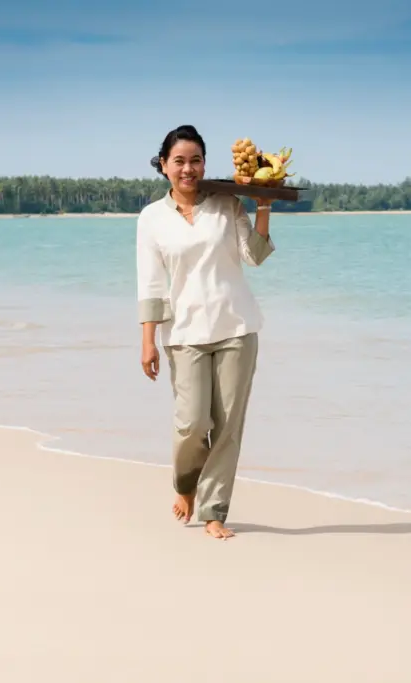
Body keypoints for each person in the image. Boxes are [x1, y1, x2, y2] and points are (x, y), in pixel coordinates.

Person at [136, 124, 276, 540]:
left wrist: (263, 207)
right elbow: (151, 284)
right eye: (179, 161)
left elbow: (255, 255)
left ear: (204, 164)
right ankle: (185, 485)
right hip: (183, 334)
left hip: (237, 327)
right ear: (164, 166)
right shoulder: (151, 218)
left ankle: (214, 511)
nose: (188, 168)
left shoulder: (226, 204)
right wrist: (148, 341)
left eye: (195, 160)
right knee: (193, 424)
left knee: (228, 426)